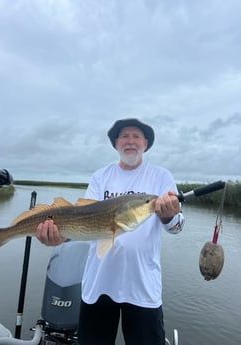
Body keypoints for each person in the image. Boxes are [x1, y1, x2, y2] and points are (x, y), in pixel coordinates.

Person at [36, 118, 185, 345]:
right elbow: (82, 221)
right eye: (124, 136)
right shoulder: (101, 177)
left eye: (137, 136)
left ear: (146, 143)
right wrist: (58, 236)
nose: (130, 141)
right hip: (99, 284)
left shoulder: (161, 177)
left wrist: (168, 214)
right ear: (116, 143)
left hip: (143, 287)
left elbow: (177, 227)